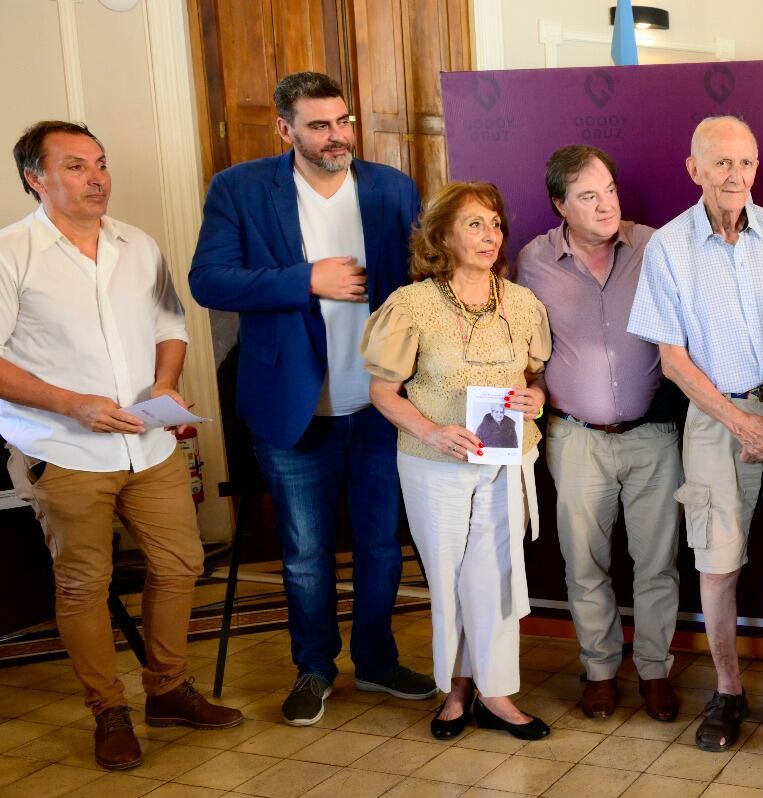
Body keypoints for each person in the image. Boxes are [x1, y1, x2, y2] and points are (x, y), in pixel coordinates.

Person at [189, 72, 434, 725]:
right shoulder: (239, 190)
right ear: (285, 128)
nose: (337, 136)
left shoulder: (391, 188)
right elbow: (208, 279)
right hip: (291, 403)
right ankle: (314, 667)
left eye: (344, 121)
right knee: (303, 550)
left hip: (382, 402)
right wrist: (309, 279)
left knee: (382, 544)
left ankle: (377, 660)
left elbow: (419, 282)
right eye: (320, 124)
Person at [0, 121, 242, 770]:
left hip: (150, 440)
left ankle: (166, 689)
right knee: (84, 584)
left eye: (100, 163)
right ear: (35, 178)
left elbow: (170, 325)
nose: (97, 177)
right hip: (66, 447)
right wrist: (73, 403)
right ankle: (108, 710)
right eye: (76, 166)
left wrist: (165, 383)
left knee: (179, 563)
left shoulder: (138, 244)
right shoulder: (11, 253)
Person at [629, 115, 763, 752]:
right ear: (693, 170)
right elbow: (673, 361)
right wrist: (744, 422)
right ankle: (725, 692)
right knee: (717, 567)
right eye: (721, 163)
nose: (735, 175)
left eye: (745, 163)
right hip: (717, 420)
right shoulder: (667, 247)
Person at [362, 181, 553, 742]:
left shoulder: (521, 304)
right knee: (447, 577)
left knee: (491, 577)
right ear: (442, 234)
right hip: (433, 462)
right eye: (474, 224)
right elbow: (382, 391)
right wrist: (432, 430)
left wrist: (536, 398)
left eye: (494, 224)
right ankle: (457, 690)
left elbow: (537, 379)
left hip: (506, 459)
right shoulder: (411, 304)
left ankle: (497, 694)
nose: (489, 235)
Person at [516, 145, 683, 723]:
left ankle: (656, 671)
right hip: (576, 437)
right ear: (560, 204)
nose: (606, 203)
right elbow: (520, 349)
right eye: (588, 195)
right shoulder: (532, 261)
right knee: (584, 563)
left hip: (654, 435)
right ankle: (600, 670)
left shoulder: (655, 245)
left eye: (609, 189)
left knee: (657, 562)